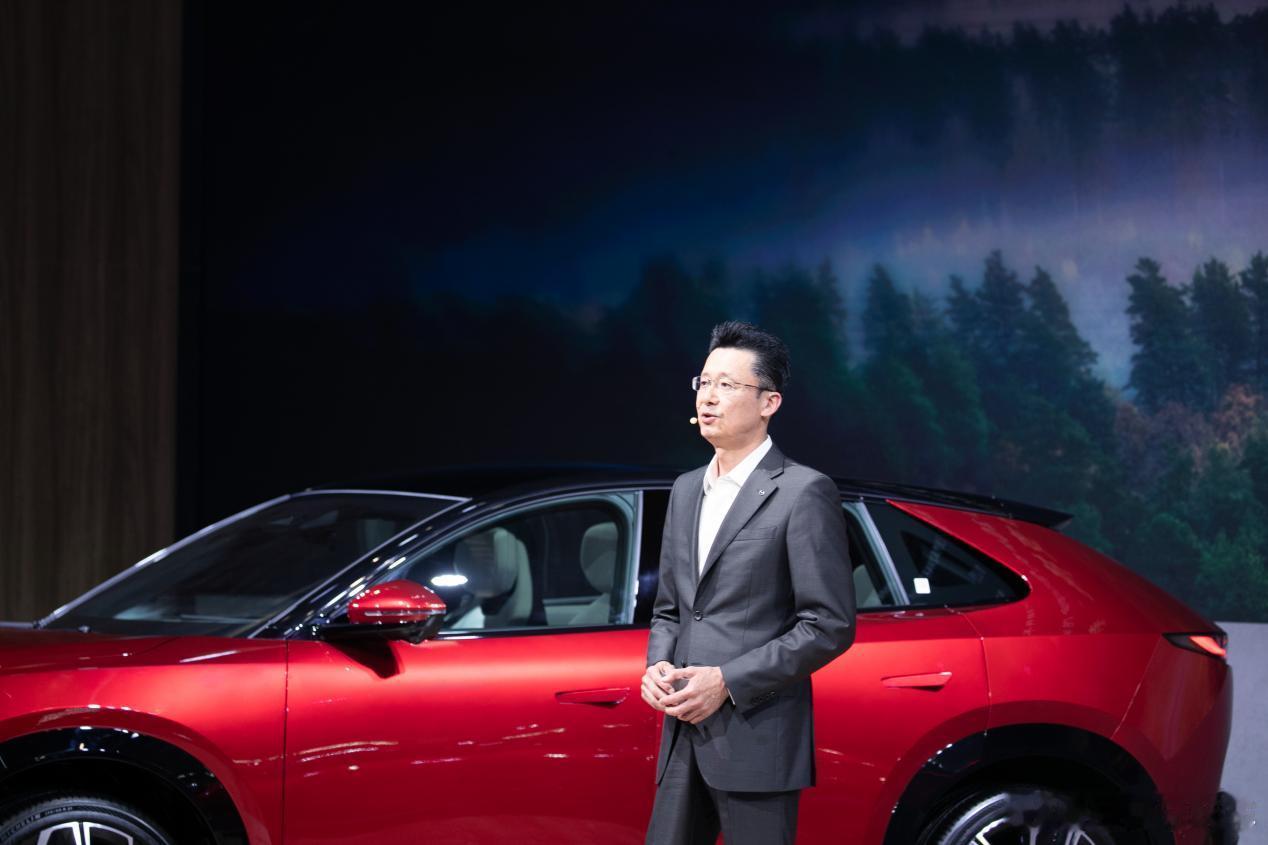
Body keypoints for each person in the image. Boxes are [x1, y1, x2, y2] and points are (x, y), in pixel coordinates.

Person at [641, 320, 856, 845]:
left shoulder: (803, 491)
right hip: (682, 732)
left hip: (758, 734)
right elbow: (670, 609)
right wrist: (656, 665)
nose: (709, 397)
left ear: (769, 402)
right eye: (704, 382)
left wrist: (728, 681)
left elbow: (828, 624)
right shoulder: (686, 489)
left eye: (727, 384)